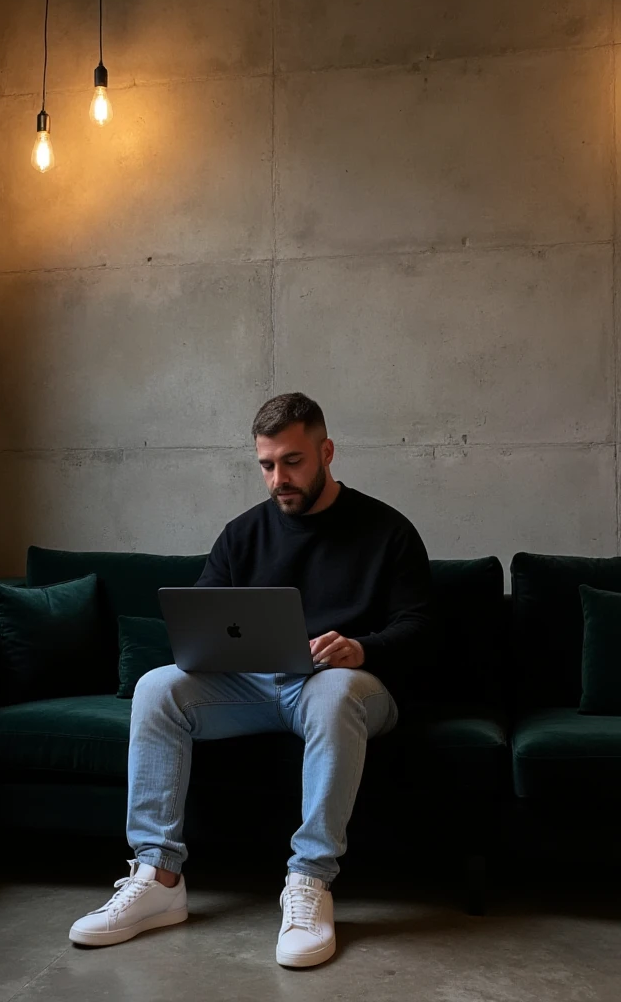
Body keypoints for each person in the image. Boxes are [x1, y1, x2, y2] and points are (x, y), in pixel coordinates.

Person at [69, 392, 434, 967]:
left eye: (292, 461)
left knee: (334, 691)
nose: (278, 478)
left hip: (352, 687)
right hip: (257, 687)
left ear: (327, 452)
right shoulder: (242, 534)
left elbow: (421, 627)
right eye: (267, 465)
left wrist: (361, 648)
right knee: (157, 687)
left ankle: (310, 881)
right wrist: (211, 646)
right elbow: (202, 617)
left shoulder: (387, 530)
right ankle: (158, 878)